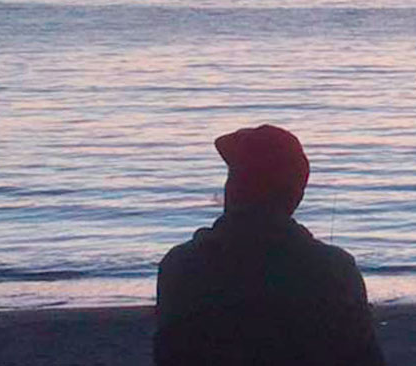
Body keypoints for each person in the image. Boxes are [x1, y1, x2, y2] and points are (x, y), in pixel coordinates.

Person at [154, 124, 385, 365]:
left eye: (236, 177)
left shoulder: (180, 265)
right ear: (296, 195)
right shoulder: (335, 269)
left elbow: (167, 354)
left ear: (233, 190)